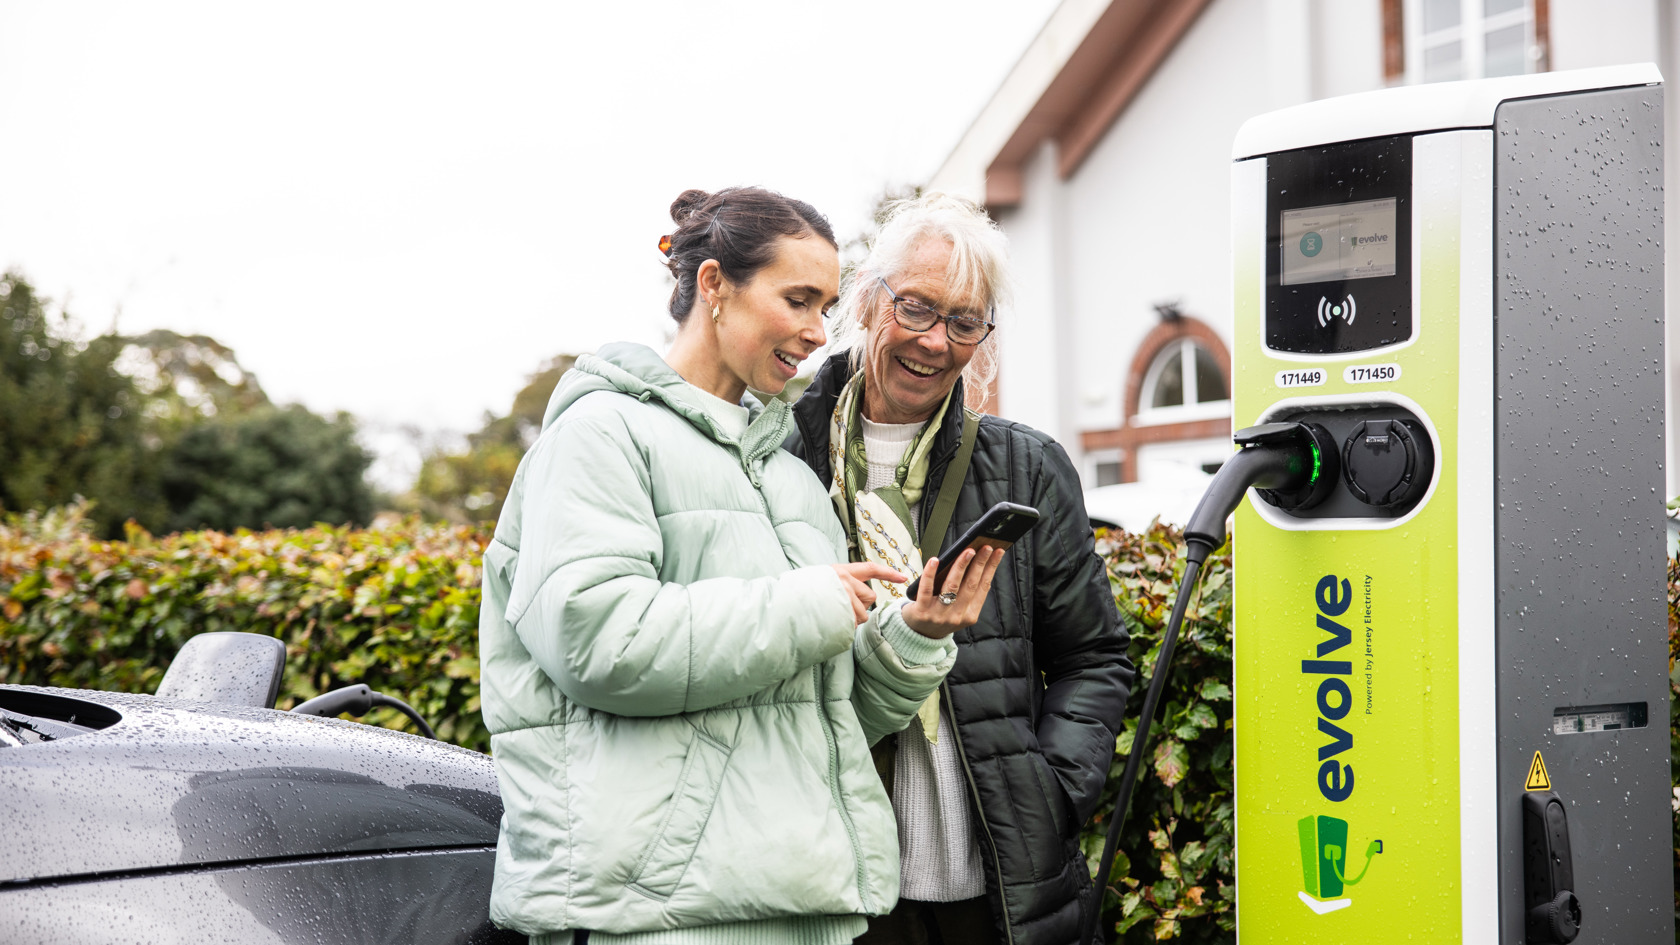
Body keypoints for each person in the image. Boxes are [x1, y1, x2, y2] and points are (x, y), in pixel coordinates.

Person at [478, 186, 1004, 945]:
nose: (818, 331)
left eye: (826, 306)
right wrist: (813, 603)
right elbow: (600, 643)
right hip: (656, 920)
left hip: (801, 911)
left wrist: (913, 639)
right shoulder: (599, 436)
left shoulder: (790, 478)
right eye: (798, 299)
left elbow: (821, 716)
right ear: (713, 283)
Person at [784, 193, 1135, 945]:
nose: (936, 340)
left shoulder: (1025, 466)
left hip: (1001, 885)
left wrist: (1054, 791)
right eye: (916, 308)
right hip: (834, 876)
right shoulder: (779, 457)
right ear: (867, 300)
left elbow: (1093, 656)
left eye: (965, 321)